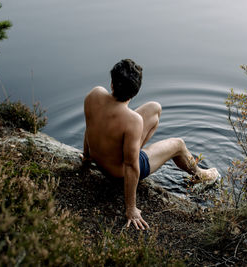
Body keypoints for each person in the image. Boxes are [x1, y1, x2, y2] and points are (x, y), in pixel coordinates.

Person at [82, 59, 219, 230]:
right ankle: (199, 174)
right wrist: (131, 208)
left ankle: (122, 148)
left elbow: (89, 126)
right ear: (135, 92)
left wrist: (87, 157)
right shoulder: (132, 121)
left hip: (99, 158)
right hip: (118, 172)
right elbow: (131, 165)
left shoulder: (94, 95)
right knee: (178, 144)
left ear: (111, 83)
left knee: (155, 108)